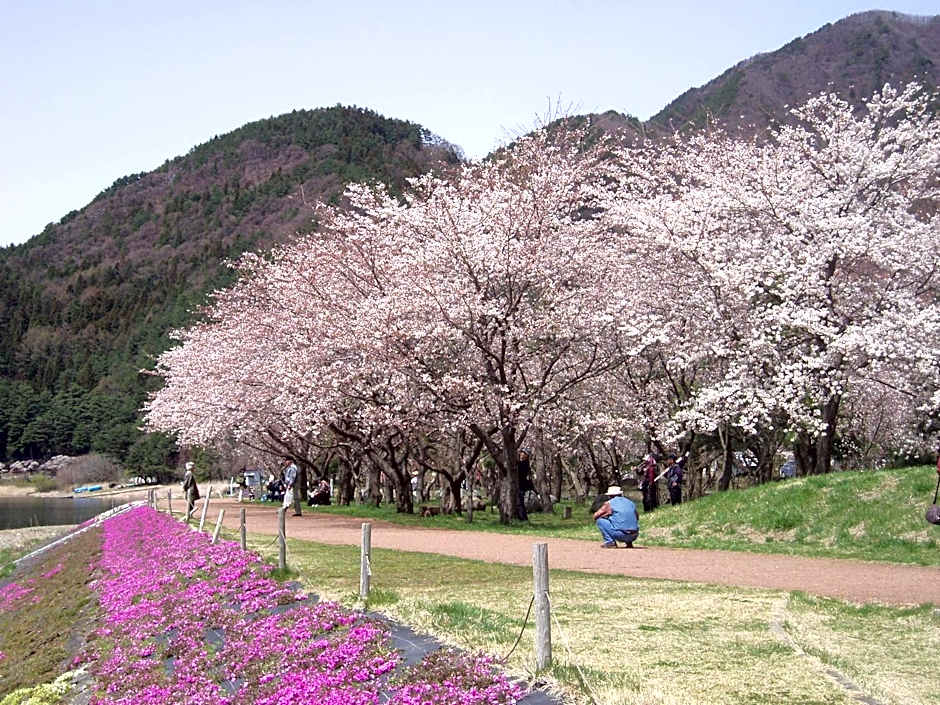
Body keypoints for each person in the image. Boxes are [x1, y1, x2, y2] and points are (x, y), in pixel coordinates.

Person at [516, 449, 534, 521]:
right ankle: (523, 517)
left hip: (521, 485)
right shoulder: (521, 463)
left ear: (527, 456)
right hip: (520, 485)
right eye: (521, 453)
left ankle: (523, 517)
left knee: (520, 501)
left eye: (524, 454)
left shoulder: (524, 464)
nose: (522, 455)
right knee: (520, 501)